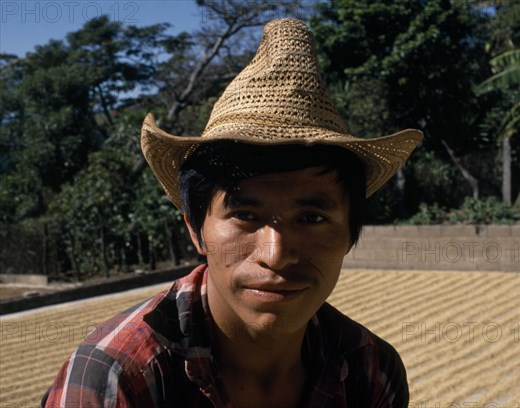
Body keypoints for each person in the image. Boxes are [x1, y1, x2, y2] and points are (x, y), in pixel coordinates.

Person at [42, 18, 422, 407]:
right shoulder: (115, 378)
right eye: (245, 215)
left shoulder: (371, 369)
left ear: (349, 234)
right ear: (195, 228)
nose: (276, 254)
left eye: (311, 218)